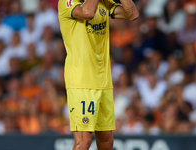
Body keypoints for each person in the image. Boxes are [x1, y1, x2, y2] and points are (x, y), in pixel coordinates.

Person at [58, 0, 139, 149]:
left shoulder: (103, 2)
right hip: (81, 81)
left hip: (103, 80)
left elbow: (132, 14)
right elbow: (87, 12)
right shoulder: (66, 2)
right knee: (84, 141)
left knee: (107, 140)